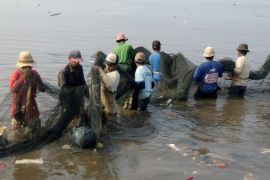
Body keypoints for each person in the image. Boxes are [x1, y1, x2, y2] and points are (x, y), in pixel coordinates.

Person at [9, 51, 44, 137]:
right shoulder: (16, 74)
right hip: (18, 108)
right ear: (21, 66)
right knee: (17, 134)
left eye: (29, 66)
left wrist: (38, 81)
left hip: (32, 107)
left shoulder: (35, 73)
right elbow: (13, 89)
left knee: (35, 132)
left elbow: (42, 89)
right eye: (25, 66)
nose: (28, 68)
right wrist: (24, 76)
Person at [58, 50, 88, 125]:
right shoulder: (64, 72)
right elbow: (64, 89)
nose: (77, 62)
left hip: (78, 99)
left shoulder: (80, 68)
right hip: (67, 100)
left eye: (78, 61)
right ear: (69, 59)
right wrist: (77, 90)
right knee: (67, 121)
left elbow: (83, 82)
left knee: (81, 117)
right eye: (75, 61)